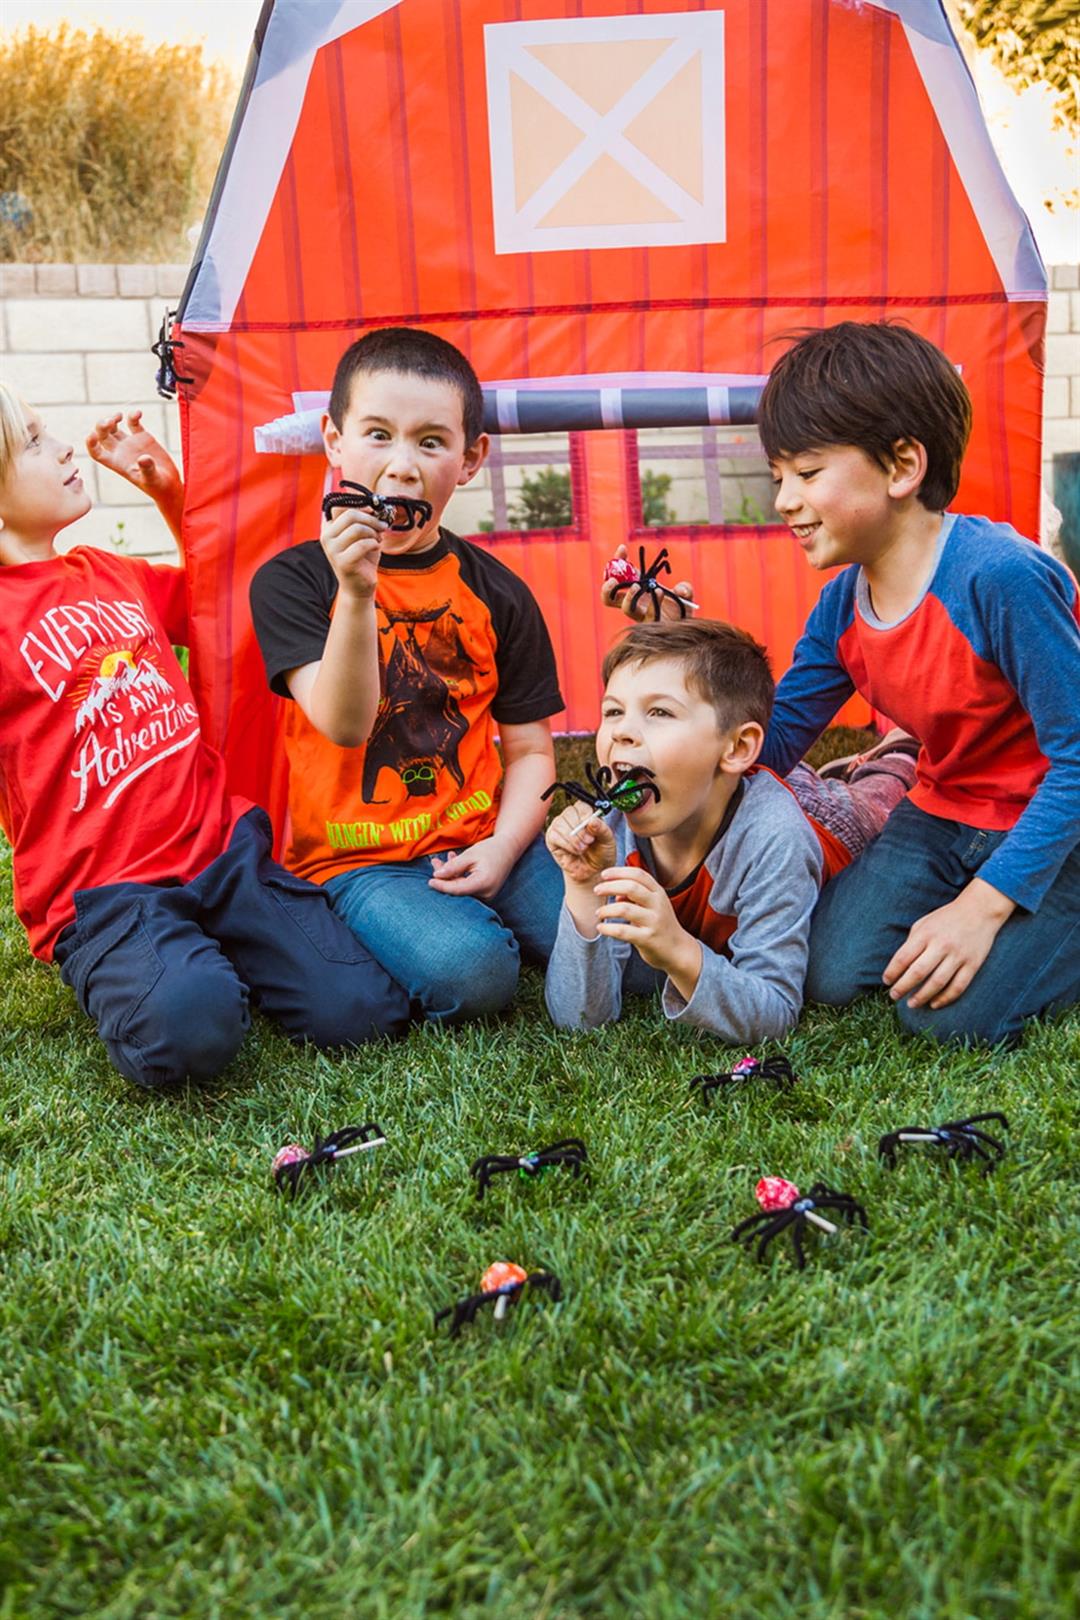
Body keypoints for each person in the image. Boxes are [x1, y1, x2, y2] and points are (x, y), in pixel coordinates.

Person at [0, 388, 409, 1089]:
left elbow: (217, 606)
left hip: (221, 851)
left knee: (362, 1011)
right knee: (192, 1031)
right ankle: (165, 969)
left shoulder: (108, 572)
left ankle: (210, 946)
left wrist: (169, 494)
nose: (65, 446)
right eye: (33, 442)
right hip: (108, 894)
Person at [758, 321, 1080, 1045]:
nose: (783, 499)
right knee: (829, 974)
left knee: (942, 1016)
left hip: (1054, 823)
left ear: (902, 466)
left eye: (807, 473)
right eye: (777, 476)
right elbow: (771, 740)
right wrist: (681, 668)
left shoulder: (1001, 577)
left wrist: (985, 904)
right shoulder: (843, 601)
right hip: (944, 810)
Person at [250, 328, 565, 1024]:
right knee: (477, 973)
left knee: (613, 944)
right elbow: (344, 722)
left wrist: (505, 847)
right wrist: (358, 593)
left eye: (430, 441)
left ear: (471, 457)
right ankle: (368, 939)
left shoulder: (498, 593)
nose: (400, 467)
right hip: (360, 861)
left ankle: (492, 921)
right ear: (334, 441)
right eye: (377, 435)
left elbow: (533, 751)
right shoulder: (292, 582)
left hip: (481, 833)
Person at [544, 618, 898, 1043]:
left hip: (831, 819)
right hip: (725, 787)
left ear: (737, 748)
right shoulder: (612, 830)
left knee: (889, 793)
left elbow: (775, 1011)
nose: (621, 731)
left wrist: (678, 951)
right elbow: (580, 1019)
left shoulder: (776, 837)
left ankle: (895, 751)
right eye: (613, 711)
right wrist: (584, 889)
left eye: (659, 712)